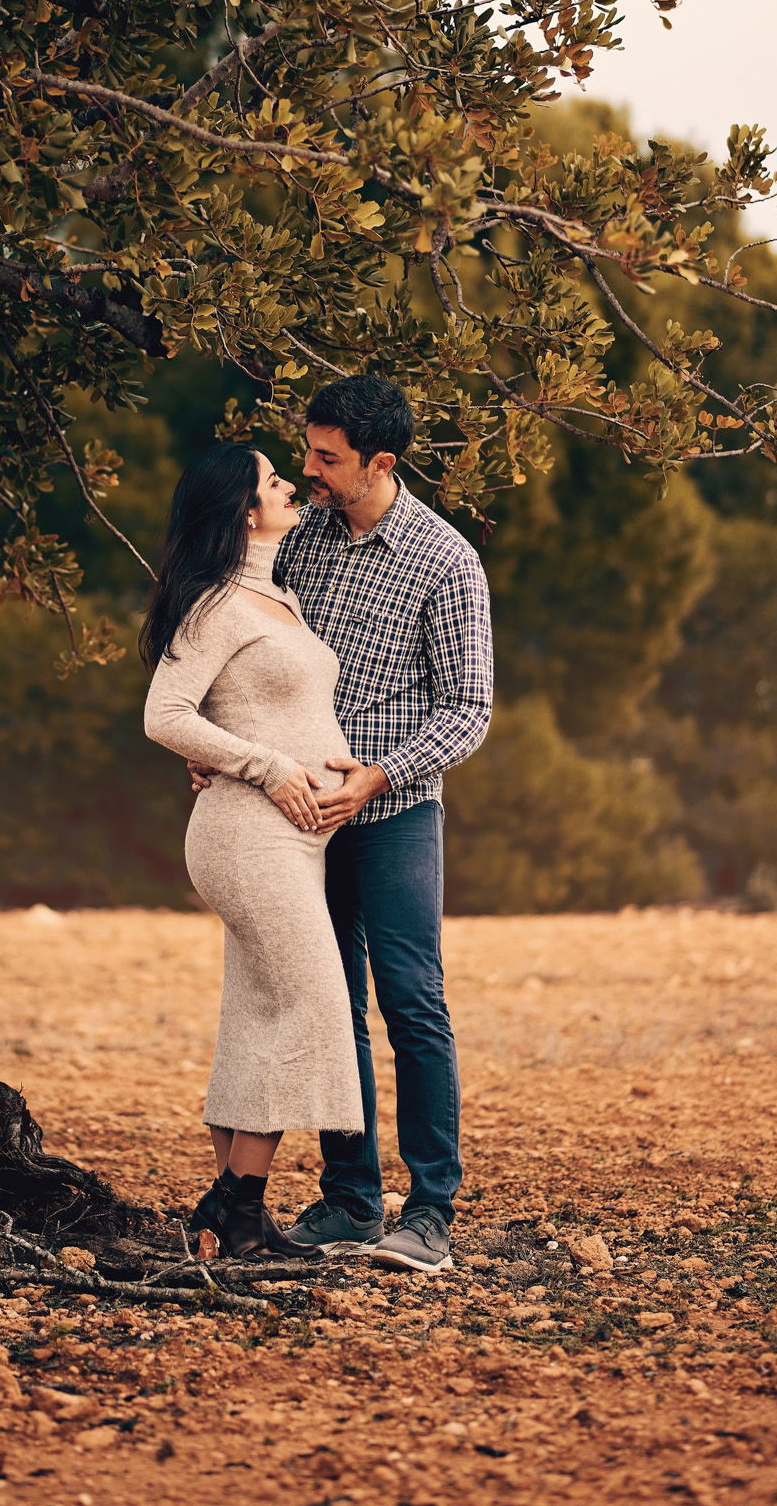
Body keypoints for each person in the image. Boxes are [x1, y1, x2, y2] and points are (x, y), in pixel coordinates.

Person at [193, 375, 494, 1274]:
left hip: (394, 811)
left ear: (380, 463)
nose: (309, 470)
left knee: (411, 1003)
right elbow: (249, 652)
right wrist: (219, 743)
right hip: (293, 819)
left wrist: (377, 778)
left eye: (328, 458)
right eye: (308, 452)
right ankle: (351, 1199)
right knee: (330, 1005)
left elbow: (468, 709)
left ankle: (430, 1212)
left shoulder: (445, 560)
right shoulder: (301, 544)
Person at [142, 441, 363, 1259]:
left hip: (287, 841)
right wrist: (264, 766)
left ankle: (238, 1222)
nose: (290, 486)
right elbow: (165, 716)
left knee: (257, 1013)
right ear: (243, 510)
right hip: (246, 834)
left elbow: (240, 711)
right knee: (310, 1004)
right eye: (274, 480)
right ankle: (231, 1201)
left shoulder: (272, 597)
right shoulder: (214, 606)